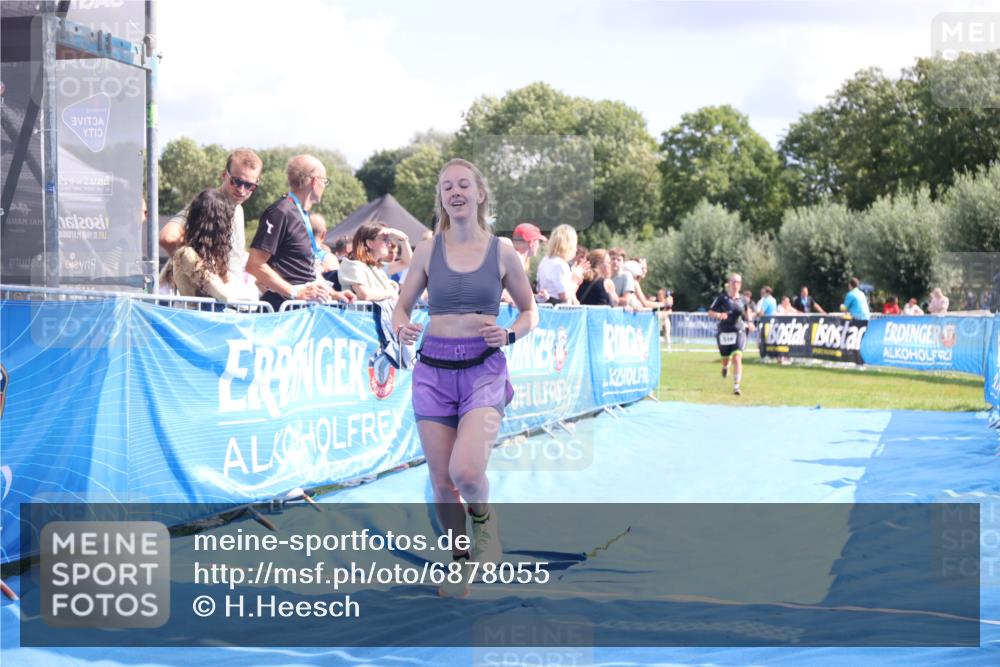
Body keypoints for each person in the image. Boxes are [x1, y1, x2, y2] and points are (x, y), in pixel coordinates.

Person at [392, 159, 538, 598]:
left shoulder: (503, 252)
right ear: (441, 197)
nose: (455, 192)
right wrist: (402, 325)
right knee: (442, 481)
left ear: (479, 194)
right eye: (446, 187)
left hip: (483, 371)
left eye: (463, 185)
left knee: (467, 471)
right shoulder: (426, 250)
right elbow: (401, 307)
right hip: (433, 371)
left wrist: (510, 333)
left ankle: (485, 523)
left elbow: (531, 311)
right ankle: (459, 561)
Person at [246, 154, 355, 310]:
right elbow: (254, 265)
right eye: (325, 181)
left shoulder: (301, 215)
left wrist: (333, 294)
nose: (325, 186)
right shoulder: (280, 211)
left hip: (299, 311)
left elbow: (306, 270)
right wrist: (294, 292)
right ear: (314, 181)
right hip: (281, 310)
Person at [159, 149, 263, 284]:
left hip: (231, 298)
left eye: (249, 185)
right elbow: (167, 238)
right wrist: (201, 275)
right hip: (206, 300)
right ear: (224, 175)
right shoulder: (207, 205)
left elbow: (236, 256)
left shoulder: (239, 209)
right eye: (236, 182)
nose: (242, 190)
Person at [168, 190, 259, 304]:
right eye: (227, 221)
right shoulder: (187, 254)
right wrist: (248, 293)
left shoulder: (210, 257)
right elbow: (224, 295)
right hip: (193, 319)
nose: (229, 228)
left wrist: (246, 293)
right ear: (218, 225)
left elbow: (236, 288)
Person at [338, 223, 411, 301]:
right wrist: (390, 294)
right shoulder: (352, 265)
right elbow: (365, 294)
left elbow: (407, 262)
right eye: (385, 240)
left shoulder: (377, 267)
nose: (389, 244)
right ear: (370, 243)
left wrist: (403, 239)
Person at [709, 273, 754, 396]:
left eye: (738, 282)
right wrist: (719, 315)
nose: (735, 285)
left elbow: (747, 312)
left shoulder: (743, 300)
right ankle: (725, 367)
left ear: (740, 285)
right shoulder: (722, 298)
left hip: (738, 330)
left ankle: (736, 386)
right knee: (725, 359)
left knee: (737, 357)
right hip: (724, 331)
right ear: (729, 284)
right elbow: (710, 312)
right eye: (733, 282)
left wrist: (750, 322)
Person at [535, 224, 579, 305]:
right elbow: (564, 296)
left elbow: (538, 288)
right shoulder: (560, 264)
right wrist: (575, 281)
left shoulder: (545, 260)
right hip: (558, 312)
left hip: (546, 308)